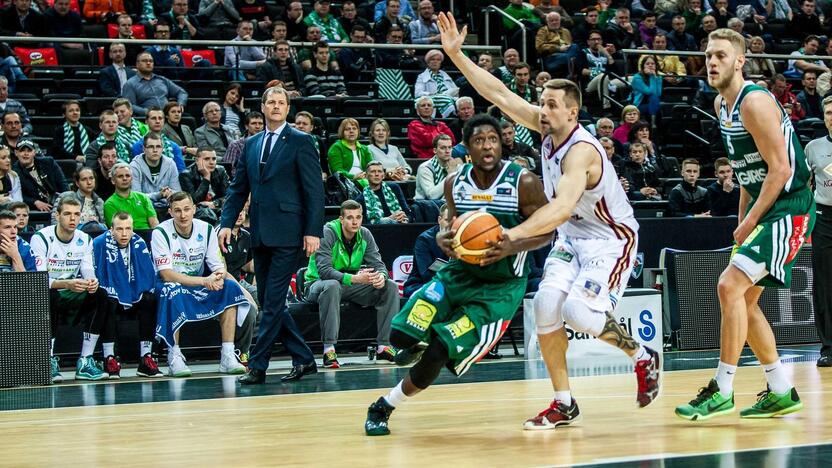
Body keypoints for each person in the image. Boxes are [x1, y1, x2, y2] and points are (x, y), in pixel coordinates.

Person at [432, 13, 660, 432]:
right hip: (574, 236)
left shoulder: (581, 152)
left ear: (572, 114)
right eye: (542, 100)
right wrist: (457, 56)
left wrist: (512, 233)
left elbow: (559, 207)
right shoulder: (546, 127)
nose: (542, 108)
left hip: (611, 239)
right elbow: (499, 94)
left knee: (578, 310)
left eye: (551, 104)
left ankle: (643, 356)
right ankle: (563, 402)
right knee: (545, 306)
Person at [363, 109, 551, 435]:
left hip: (499, 290)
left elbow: (547, 231)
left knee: (440, 351)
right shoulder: (455, 182)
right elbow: (452, 226)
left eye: (493, 139)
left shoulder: (524, 182)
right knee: (399, 336)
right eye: (479, 141)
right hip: (459, 275)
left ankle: (384, 405)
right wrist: (442, 237)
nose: (488, 146)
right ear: (467, 147)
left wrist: (512, 245)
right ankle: (419, 339)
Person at [674, 28, 815, 421]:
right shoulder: (722, 106)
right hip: (764, 206)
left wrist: (751, 219)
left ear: (740, 61)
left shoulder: (754, 102)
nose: (712, 62)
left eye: (720, 55)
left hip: (790, 205)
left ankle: (722, 388)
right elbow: (746, 174)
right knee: (744, 301)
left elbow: (781, 169)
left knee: (728, 286)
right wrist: (743, 221)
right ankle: (782, 389)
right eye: (707, 57)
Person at [219, 86, 324, 385]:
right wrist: (227, 222)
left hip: (290, 233)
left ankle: (257, 365)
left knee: (273, 301)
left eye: (282, 103)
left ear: (288, 109)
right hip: (260, 233)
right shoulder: (250, 144)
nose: (277, 106)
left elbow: (314, 191)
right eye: (272, 102)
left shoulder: (302, 141)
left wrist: (313, 231)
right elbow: (239, 188)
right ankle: (304, 359)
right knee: (268, 301)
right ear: (263, 107)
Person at [152, 192, 249, 377]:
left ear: (194, 209)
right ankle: (174, 356)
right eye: (178, 210)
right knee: (172, 291)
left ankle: (228, 354)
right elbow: (166, 274)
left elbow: (217, 265)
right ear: (170, 212)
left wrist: (218, 277)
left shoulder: (206, 229)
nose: (183, 215)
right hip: (169, 284)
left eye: (187, 209)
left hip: (198, 283)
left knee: (230, 287)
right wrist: (205, 280)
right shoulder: (160, 232)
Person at [31, 195, 116, 382]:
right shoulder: (41, 238)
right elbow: (39, 279)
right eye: (67, 214)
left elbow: (87, 268)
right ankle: (48, 359)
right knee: (50, 294)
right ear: (57, 215)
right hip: (48, 293)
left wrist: (92, 281)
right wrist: (66, 284)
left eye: (77, 214)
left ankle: (85, 360)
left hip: (72, 290)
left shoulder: (85, 239)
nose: (72, 218)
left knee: (101, 294)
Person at [304, 199, 398, 367]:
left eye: (359, 217)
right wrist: (354, 278)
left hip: (347, 285)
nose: (355, 222)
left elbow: (378, 264)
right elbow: (325, 271)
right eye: (350, 217)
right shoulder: (328, 233)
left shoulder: (365, 234)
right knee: (332, 285)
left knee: (390, 286)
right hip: (317, 285)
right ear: (341, 219)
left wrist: (381, 276)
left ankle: (384, 346)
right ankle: (329, 350)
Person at [92, 211, 163, 378]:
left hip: (133, 292)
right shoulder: (100, 243)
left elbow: (147, 274)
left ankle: (146, 358)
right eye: (119, 229)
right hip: (110, 293)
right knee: (107, 298)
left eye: (128, 229)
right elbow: (97, 273)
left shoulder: (139, 243)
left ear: (133, 229)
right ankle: (109, 358)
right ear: (111, 229)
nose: (124, 234)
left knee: (149, 299)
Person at [803, 95, 832, 367]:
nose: (831, 116)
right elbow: (803, 184)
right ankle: (828, 348)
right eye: (828, 112)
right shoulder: (813, 148)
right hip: (824, 219)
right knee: (824, 285)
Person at [401, 203, 448, 298]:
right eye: (447, 220)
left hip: (452, 284)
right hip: (420, 284)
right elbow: (427, 274)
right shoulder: (425, 239)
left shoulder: (463, 238)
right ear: (439, 220)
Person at [121, 52, 188, 118]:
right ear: (137, 64)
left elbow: (181, 92)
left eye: (151, 61)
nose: (148, 63)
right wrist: (146, 112)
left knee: (189, 119)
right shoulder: (130, 84)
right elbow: (129, 105)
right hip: (147, 119)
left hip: (168, 117)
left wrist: (180, 105)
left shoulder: (162, 80)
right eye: (144, 61)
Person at [13, 140, 68, 212]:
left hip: (58, 202)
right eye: (22, 151)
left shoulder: (49, 162)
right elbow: (16, 195)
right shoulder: (14, 172)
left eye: (29, 150)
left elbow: (62, 183)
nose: (26, 154)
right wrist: (34, 202)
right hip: (34, 208)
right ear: (16, 153)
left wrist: (65, 200)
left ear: (34, 152)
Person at [103, 162, 159, 229]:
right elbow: (117, 229)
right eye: (120, 176)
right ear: (113, 180)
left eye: (128, 176)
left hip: (149, 235)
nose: (125, 178)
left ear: (132, 179)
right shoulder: (109, 204)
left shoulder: (143, 197)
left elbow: (154, 223)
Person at [179, 147, 230, 218]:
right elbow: (193, 201)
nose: (212, 162)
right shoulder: (186, 175)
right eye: (207, 159)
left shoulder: (221, 171)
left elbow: (228, 195)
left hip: (218, 208)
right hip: (197, 212)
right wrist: (206, 177)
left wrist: (215, 203)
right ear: (197, 160)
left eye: (214, 159)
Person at [132, 108, 186, 172]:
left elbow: (181, 171)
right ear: (146, 121)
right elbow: (136, 170)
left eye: (160, 118)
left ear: (164, 121)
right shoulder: (138, 146)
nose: (157, 121)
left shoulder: (174, 146)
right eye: (153, 118)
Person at [328, 118, 372, 186]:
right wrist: (353, 177)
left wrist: (366, 176)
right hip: (346, 183)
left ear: (358, 131)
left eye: (354, 128)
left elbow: (371, 167)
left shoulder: (364, 149)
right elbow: (337, 171)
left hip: (365, 180)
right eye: (347, 129)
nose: (351, 131)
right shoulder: (336, 148)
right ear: (342, 132)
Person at [415, 49, 459, 118]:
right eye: (432, 59)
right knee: (445, 99)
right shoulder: (422, 76)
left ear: (440, 62)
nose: (435, 62)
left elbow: (455, 90)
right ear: (428, 62)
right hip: (432, 101)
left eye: (438, 60)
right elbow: (417, 93)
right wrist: (430, 94)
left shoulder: (445, 75)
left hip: (449, 98)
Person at [415, 134, 459, 200]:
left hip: (448, 205)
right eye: (443, 148)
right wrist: (450, 176)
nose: (447, 151)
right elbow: (432, 196)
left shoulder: (457, 167)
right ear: (435, 150)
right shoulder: (425, 168)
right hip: (426, 206)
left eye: (449, 147)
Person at [223, 111, 264, 176]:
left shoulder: (267, 144)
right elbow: (228, 169)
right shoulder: (235, 145)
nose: (257, 126)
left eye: (260, 123)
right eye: (254, 123)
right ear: (246, 126)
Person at [0, 209, 36, 273]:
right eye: (7, 227)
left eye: (15, 227)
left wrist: (15, 256)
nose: (13, 232)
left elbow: (30, 282)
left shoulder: (25, 248)